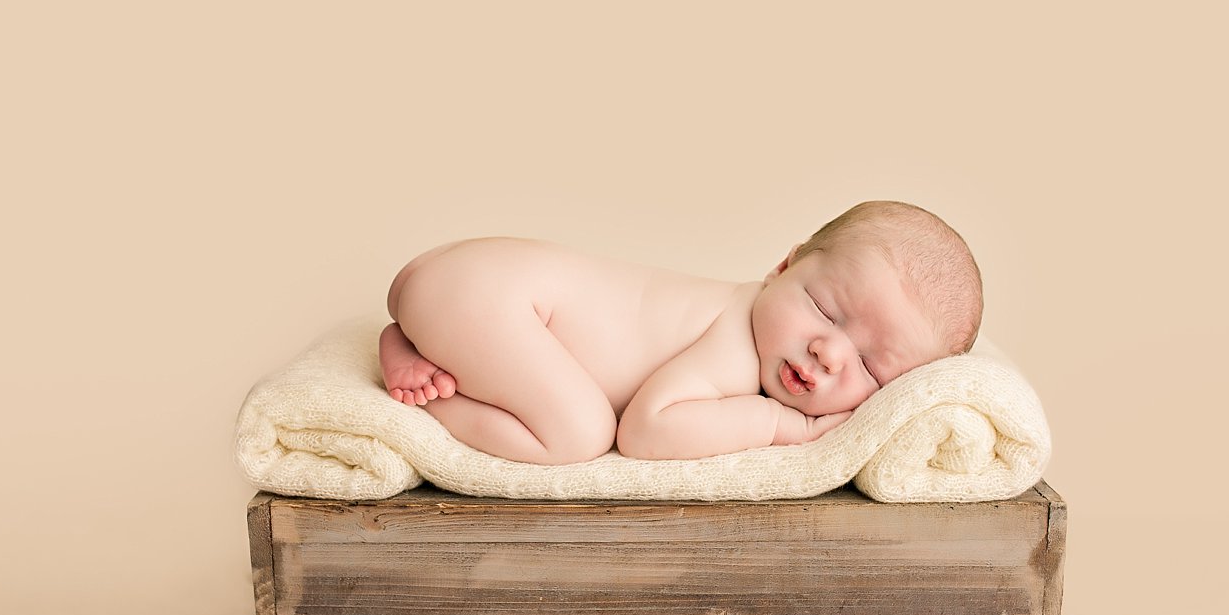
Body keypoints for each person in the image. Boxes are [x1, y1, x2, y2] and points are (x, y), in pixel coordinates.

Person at [378, 201, 982, 464]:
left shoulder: (752, 323)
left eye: (873, 369)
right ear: (784, 266)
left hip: (466, 279)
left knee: (570, 415)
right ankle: (428, 391)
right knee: (578, 433)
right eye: (824, 310)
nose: (829, 354)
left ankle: (417, 338)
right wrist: (783, 426)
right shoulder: (735, 340)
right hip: (489, 295)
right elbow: (646, 429)